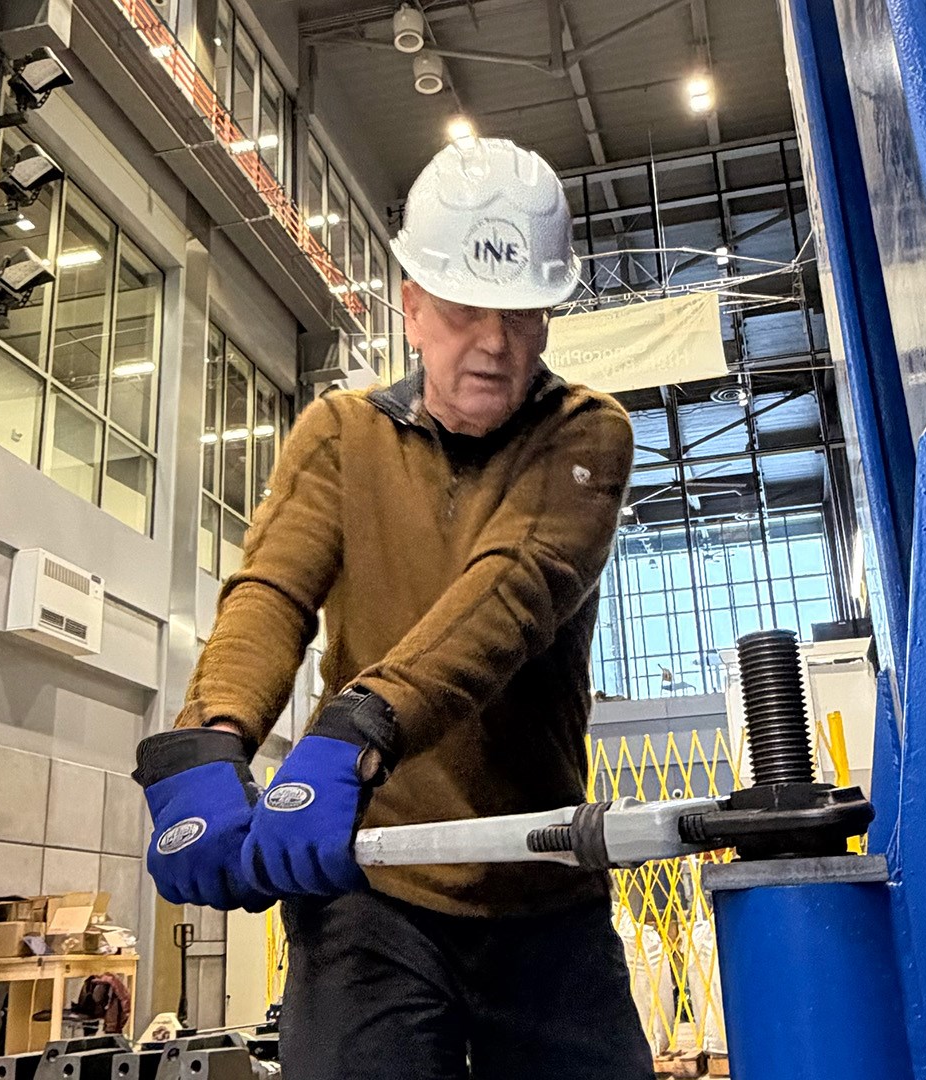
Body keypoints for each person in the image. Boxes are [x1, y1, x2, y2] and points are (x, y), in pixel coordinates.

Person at [130, 137, 650, 1080]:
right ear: (411, 303)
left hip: (542, 887)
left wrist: (359, 725)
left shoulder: (587, 434)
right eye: (462, 308)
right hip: (368, 888)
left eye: (521, 312)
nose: (492, 341)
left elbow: (512, 591)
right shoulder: (340, 432)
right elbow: (272, 591)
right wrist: (209, 738)